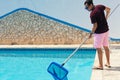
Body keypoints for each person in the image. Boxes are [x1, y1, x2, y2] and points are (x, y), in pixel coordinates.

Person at [84, 0, 111, 70]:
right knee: (106, 47)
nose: (87, 9)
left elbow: (95, 26)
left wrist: (91, 34)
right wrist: (106, 17)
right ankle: (108, 63)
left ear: (91, 5)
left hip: (99, 33)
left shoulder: (92, 14)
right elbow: (109, 9)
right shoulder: (100, 6)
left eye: (87, 8)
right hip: (106, 30)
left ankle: (100, 65)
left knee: (99, 49)